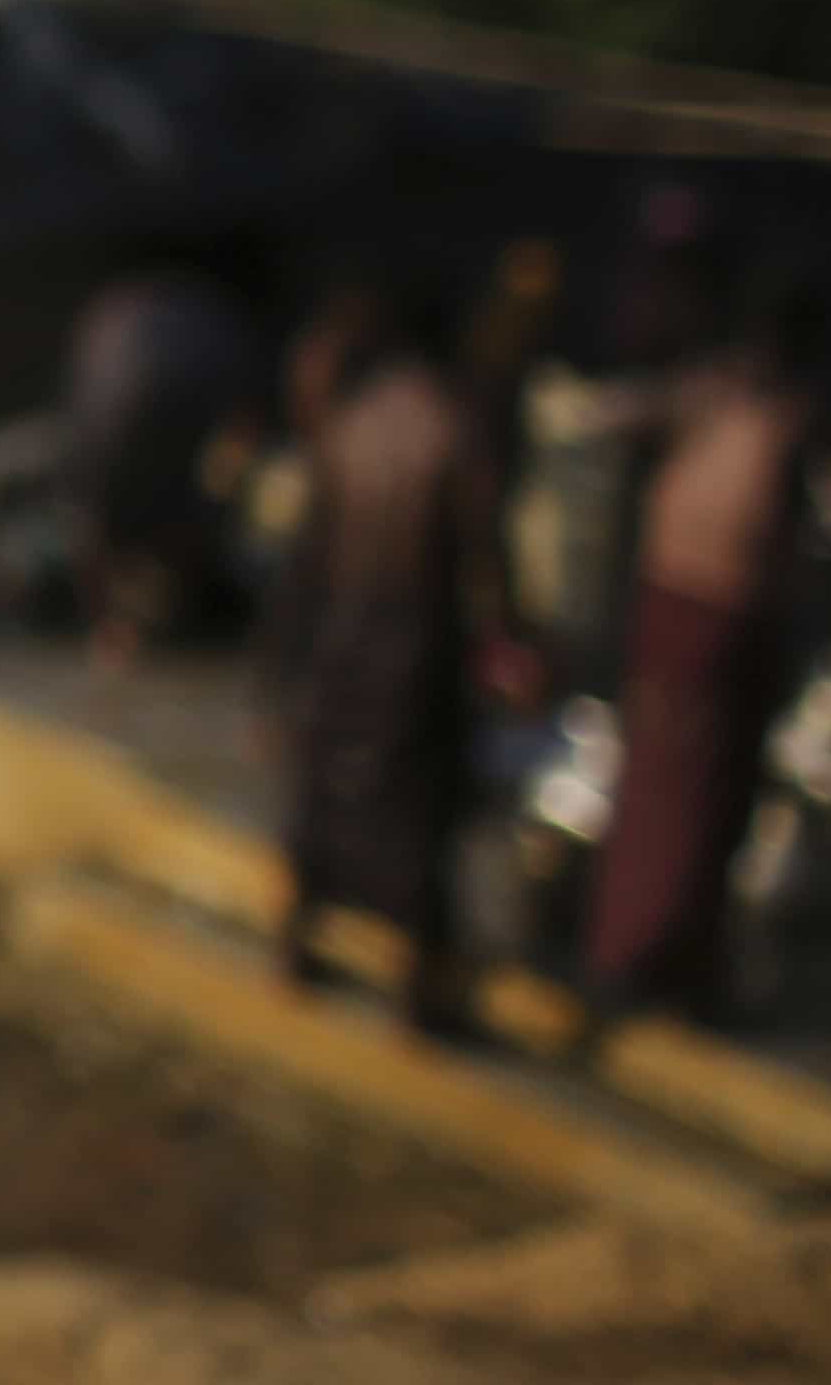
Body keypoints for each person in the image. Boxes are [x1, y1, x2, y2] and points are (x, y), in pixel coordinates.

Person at [585, 268, 829, 1023]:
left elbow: (616, 417)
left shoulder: (715, 394)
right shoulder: (780, 415)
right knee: (697, 796)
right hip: (718, 619)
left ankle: (641, 951)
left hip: (678, 607)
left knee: (665, 784)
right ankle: (657, 956)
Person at [263, 278, 503, 1032]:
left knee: (327, 793)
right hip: (414, 642)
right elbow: (483, 560)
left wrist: (282, 666)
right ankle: (417, 989)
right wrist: (514, 641)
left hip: (343, 634)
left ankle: (297, 943)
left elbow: (307, 557)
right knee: (419, 814)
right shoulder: (454, 430)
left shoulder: (354, 421)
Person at [60, 263, 266, 663]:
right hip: (140, 422)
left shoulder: (116, 317)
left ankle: (116, 628)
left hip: (130, 418)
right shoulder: (211, 328)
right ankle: (125, 625)